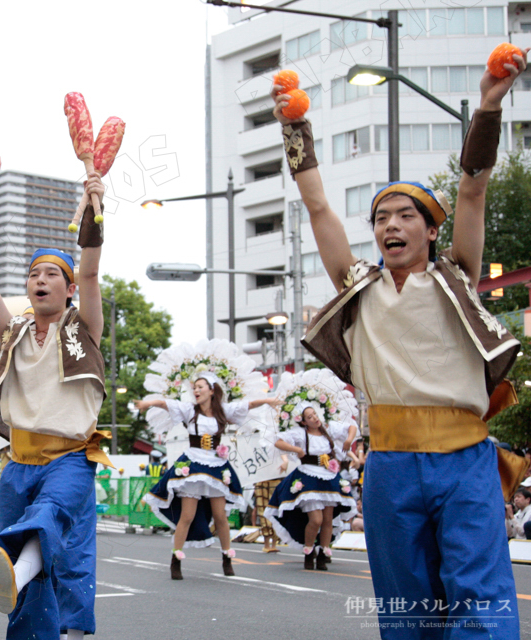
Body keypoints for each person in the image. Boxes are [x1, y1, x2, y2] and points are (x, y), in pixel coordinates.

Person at [273, 46, 528, 636]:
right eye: (382, 216)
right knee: (406, 607)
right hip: (388, 465)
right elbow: (317, 206)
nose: (391, 224)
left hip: (465, 460)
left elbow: (472, 191)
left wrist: (489, 105)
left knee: (480, 598)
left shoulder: (456, 275)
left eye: (406, 215)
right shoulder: (358, 289)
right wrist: (296, 128)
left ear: (432, 230)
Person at [0, 173, 109, 640]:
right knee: (33, 561)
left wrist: (94, 209)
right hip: (18, 461)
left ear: (69, 288)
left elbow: (93, 271)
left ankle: (19, 582)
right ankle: (25, 604)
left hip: (71, 457)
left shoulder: (83, 331)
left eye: (52, 274)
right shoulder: (14, 335)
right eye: (34, 275)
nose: (41, 281)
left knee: (51, 532)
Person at [136, 373, 280, 578]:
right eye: (194, 387)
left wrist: (267, 400)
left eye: (200, 387)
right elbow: (166, 404)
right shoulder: (189, 410)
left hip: (215, 464)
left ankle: (226, 558)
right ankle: (175, 559)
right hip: (193, 463)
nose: (196, 390)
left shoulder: (223, 411)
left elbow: (246, 405)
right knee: (187, 515)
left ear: (212, 390)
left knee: (221, 516)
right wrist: (148, 403)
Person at [265, 405, 357, 569]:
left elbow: (351, 426)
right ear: (304, 422)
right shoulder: (301, 434)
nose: (314, 418)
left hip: (328, 476)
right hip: (309, 476)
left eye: (314, 414)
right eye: (309, 417)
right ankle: (308, 551)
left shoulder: (328, 429)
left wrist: (349, 440)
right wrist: (297, 449)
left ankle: (323, 553)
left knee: (328, 519)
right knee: (316, 520)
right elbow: (278, 441)